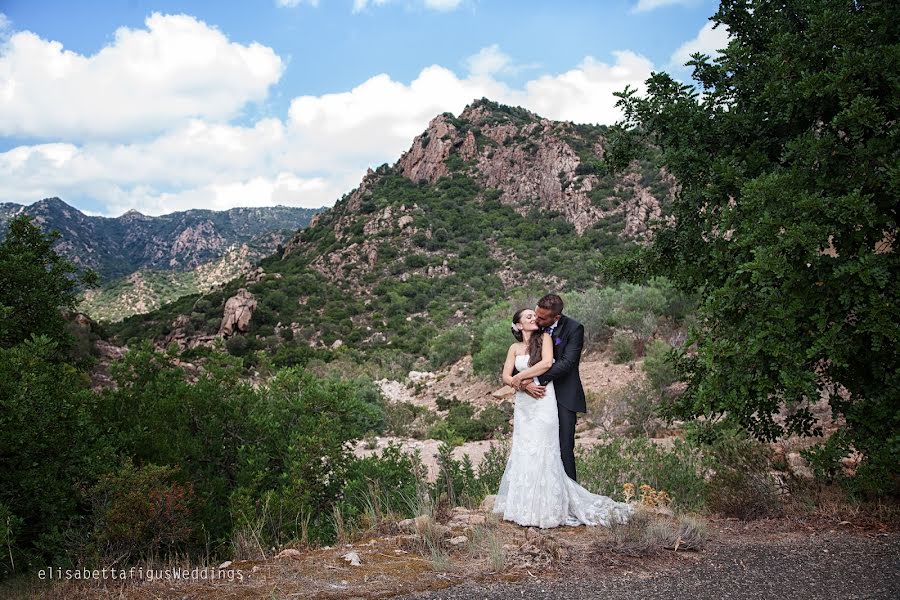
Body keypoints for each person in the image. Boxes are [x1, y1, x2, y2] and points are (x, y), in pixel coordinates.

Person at [492, 305, 634, 528]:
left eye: (535, 315)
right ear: (519, 325)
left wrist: (523, 379)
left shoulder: (545, 338)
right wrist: (522, 385)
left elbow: (547, 363)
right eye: (528, 316)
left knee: (545, 449)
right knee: (525, 449)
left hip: (543, 399)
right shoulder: (514, 347)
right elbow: (505, 376)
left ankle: (548, 507)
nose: (534, 318)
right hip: (525, 402)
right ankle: (524, 507)